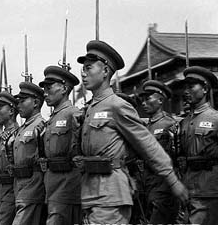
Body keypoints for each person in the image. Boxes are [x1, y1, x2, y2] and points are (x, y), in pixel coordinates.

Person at [76, 40, 188, 224]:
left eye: (89, 67)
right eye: (83, 68)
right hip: (91, 191)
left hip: (111, 193)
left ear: (105, 71)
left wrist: (172, 179)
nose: (83, 72)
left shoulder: (117, 106)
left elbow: (147, 144)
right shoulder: (91, 109)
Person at [38, 65, 82, 225]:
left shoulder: (73, 114)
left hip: (68, 183)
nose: (45, 93)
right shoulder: (51, 119)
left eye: (49, 88)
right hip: (52, 184)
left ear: (64, 88)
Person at [179, 66, 218, 225]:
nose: (186, 91)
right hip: (189, 189)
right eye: (185, 87)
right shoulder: (185, 122)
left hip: (209, 190)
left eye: (191, 86)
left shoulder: (215, 118)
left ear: (205, 89)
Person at [139, 80, 180, 224]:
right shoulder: (145, 126)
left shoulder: (170, 124)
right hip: (147, 182)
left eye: (148, 98)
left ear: (160, 100)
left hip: (163, 184)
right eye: (142, 99)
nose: (144, 103)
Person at [12, 82, 46, 225]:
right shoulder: (22, 129)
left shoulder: (40, 125)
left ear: (36, 102)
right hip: (20, 186)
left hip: (33, 185)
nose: (18, 105)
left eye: (22, 101)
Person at [0, 91, 19, 225]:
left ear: (11, 111)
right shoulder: (2, 136)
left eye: (0, 108)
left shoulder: (16, 133)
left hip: (12, 187)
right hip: (2, 188)